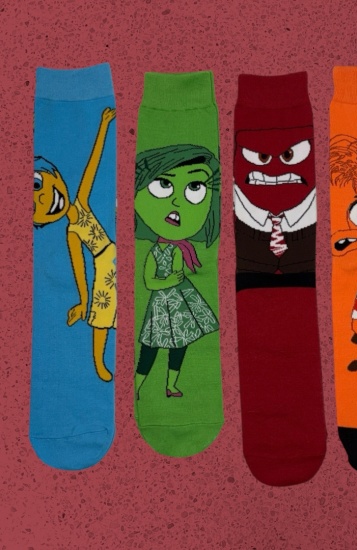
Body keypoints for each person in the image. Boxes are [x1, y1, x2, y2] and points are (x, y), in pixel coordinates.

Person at [33, 107, 116, 382]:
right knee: (101, 316)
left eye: (37, 185)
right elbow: (79, 269)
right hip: (104, 264)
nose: (43, 199)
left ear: (55, 174)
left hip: (115, 254)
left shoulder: (81, 202)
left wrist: (103, 126)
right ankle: (99, 363)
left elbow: (93, 164)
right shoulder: (71, 233)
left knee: (118, 311)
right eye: (35, 207)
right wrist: (83, 301)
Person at [134, 144, 220, 398]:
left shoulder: (181, 249)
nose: (177, 202)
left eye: (195, 187)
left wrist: (175, 275)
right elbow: (149, 281)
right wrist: (169, 280)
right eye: (163, 184)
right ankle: (136, 387)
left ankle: (171, 386)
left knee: (180, 344)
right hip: (161, 307)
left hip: (181, 305)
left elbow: (180, 272)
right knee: (150, 347)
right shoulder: (154, 252)